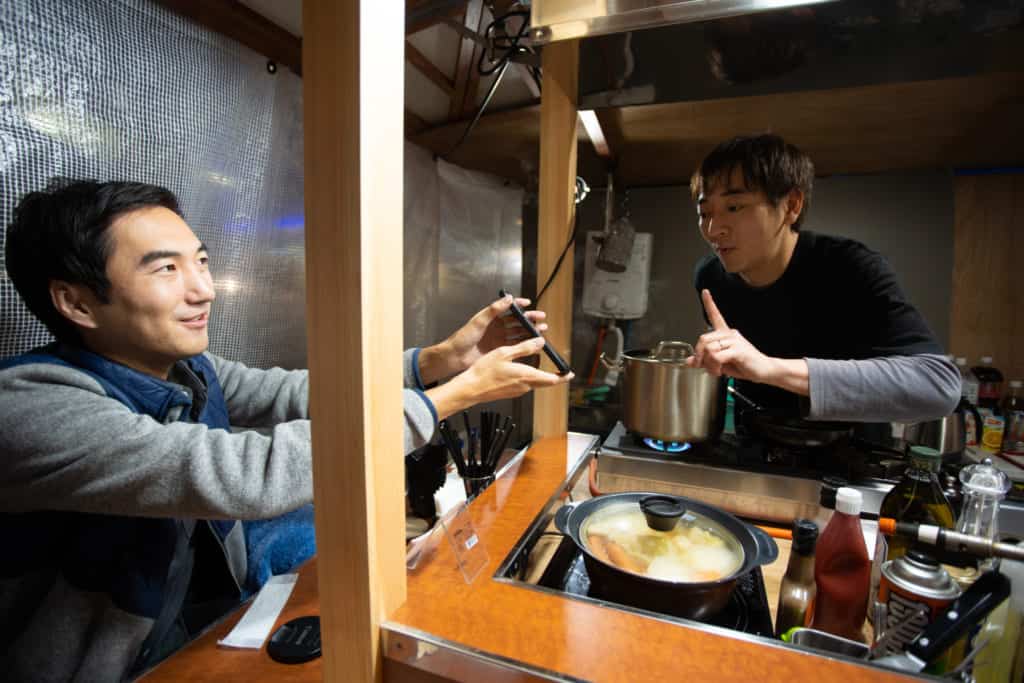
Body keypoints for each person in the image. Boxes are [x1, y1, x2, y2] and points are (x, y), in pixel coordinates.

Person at [0, 179, 570, 681]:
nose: (205, 290)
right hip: (122, 664)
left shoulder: (188, 369)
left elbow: (297, 393)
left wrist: (441, 360)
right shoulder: (32, 406)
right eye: (166, 269)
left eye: (200, 261)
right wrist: (454, 397)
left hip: (202, 604)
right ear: (75, 302)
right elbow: (243, 477)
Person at [685, 133, 959, 424]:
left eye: (734, 207)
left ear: (791, 205)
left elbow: (938, 385)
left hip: (847, 454)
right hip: (753, 445)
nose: (714, 230)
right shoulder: (711, 277)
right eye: (705, 212)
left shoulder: (850, 268)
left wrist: (769, 368)